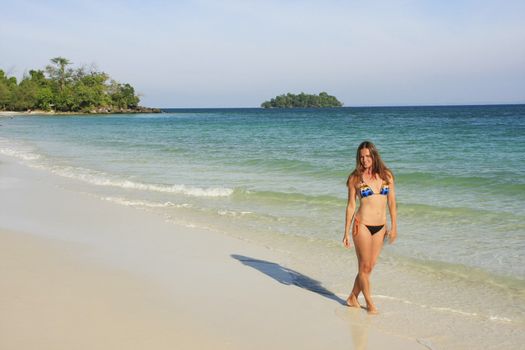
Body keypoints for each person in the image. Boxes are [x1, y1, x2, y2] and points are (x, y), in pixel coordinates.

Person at [342, 141, 397, 314]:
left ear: (374, 155)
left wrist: (394, 226)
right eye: (361, 157)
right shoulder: (355, 178)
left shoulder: (387, 175)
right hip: (362, 225)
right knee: (364, 267)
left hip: (380, 227)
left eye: (367, 156)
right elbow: (351, 205)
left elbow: (392, 203)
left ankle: (352, 297)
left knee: (370, 267)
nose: (365, 160)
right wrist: (346, 233)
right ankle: (370, 304)